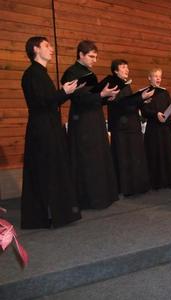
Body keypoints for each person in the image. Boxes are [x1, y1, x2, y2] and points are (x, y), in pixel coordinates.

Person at [20, 36, 81, 228]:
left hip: (49, 126)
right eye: (47, 45)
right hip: (42, 129)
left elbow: (49, 101)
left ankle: (59, 212)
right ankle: (47, 215)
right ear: (36, 49)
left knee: (55, 168)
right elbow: (41, 102)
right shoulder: (31, 74)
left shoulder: (41, 73)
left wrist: (64, 93)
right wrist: (63, 92)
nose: (52, 49)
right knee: (46, 170)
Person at [61, 40, 119, 209]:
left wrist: (107, 97)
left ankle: (102, 195)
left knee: (98, 155)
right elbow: (78, 98)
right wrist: (101, 94)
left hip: (94, 119)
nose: (95, 60)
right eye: (91, 56)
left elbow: (94, 98)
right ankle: (89, 198)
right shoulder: (71, 72)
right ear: (81, 54)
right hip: (83, 122)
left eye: (96, 57)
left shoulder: (88, 73)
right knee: (87, 158)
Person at [101, 59, 154, 196]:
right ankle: (126, 188)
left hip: (131, 126)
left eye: (127, 67)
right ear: (115, 71)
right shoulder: (114, 85)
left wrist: (142, 99)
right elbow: (121, 105)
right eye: (123, 67)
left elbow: (129, 104)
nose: (127, 70)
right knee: (124, 158)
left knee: (134, 156)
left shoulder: (125, 85)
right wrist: (140, 98)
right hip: (121, 128)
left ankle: (136, 185)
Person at [141, 68, 171, 189]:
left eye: (160, 76)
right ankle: (156, 181)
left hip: (165, 127)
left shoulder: (164, 92)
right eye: (155, 76)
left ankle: (169, 180)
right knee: (155, 153)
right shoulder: (145, 93)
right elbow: (144, 111)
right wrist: (155, 114)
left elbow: (170, 107)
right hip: (154, 128)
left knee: (167, 152)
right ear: (149, 78)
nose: (158, 79)